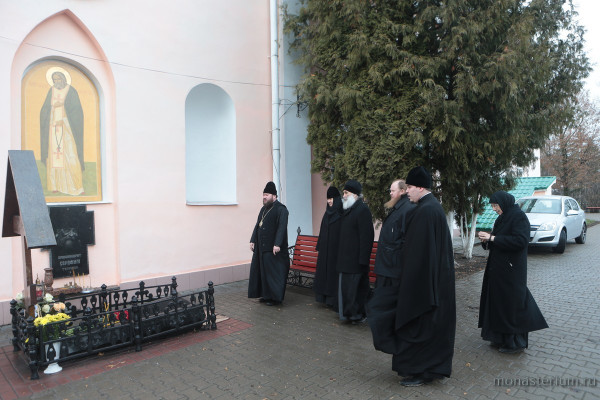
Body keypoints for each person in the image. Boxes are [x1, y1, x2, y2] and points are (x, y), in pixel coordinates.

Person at [393, 166, 456, 387]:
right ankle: (426, 370)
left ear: (420, 187)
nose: (407, 191)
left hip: (425, 285)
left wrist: (409, 284)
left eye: (409, 187)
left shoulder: (426, 211)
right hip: (433, 282)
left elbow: (420, 254)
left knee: (422, 326)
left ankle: (421, 372)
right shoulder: (430, 207)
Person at [477, 191, 548, 354]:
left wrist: (493, 238)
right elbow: (497, 239)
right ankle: (499, 337)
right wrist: (486, 240)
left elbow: (521, 241)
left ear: (504, 203)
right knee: (498, 303)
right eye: (493, 206)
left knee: (511, 305)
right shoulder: (502, 217)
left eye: (496, 205)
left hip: (512, 270)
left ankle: (514, 343)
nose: (494, 209)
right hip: (498, 269)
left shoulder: (518, 217)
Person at [366, 179, 415, 352]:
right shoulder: (397, 209)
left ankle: (393, 342)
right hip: (386, 267)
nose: (390, 193)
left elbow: (404, 242)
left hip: (392, 269)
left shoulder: (407, 209)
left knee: (383, 308)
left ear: (402, 191)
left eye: (392, 191)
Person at [40, 69, 85, 196]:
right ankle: (55, 185)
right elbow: (45, 110)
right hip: (53, 129)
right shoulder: (51, 90)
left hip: (67, 129)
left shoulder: (71, 91)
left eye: (58, 79)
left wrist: (63, 118)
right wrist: (53, 110)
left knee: (71, 155)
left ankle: (76, 186)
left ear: (64, 79)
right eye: (54, 80)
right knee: (55, 157)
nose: (56, 82)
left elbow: (76, 112)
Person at [336, 180, 374, 324]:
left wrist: (363, 260)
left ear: (355, 195)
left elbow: (367, 237)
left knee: (355, 291)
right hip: (346, 260)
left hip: (356, 261)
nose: (344, 195)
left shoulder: (362, 210)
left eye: (346, 193)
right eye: (343, 193)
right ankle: (349, 315)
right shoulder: (348, 210)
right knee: (348, 291)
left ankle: (356, 315)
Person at [248, 181, 290, 306]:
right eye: (263, 195)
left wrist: (277, 244)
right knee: (263, 274)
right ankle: (266, 296)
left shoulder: (281, 209)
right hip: (262, 248)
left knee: (273, 275)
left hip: (274, 249)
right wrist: (253, 240)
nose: (264, 197)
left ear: (274, 196)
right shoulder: (263, 209)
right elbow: (257, 225)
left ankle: (275, 298)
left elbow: (282, 227)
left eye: (267, 195)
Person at [314, 186, 343, 308]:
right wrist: (320, 246)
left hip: (335, 251)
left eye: (331, 198)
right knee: (324, 275)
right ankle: (323, 298)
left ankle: (332, 300)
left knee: (332, 276)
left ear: (337, 199)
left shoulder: (342, 213)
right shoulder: (327, 213)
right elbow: (322, 231)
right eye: (328, 199)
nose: (329, 201)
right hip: (325, 250)